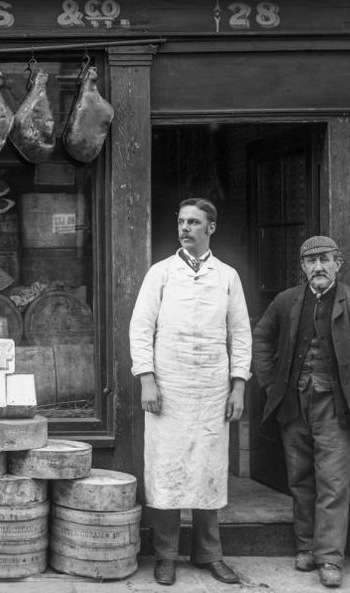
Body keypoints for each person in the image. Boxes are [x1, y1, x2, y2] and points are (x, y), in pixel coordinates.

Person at [251, 236, 350, 588]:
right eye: (310, 261)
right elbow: (261, 337)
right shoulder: (286, 301)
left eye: (324, 260)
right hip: (293, 403)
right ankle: (305, 547)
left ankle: (330, 558)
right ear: (302, 267)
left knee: (333, 482)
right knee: (300, 479)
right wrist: (270, 382)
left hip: (334, 406)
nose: (317, 267)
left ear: (339, 264)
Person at [129, 198, 251, 586]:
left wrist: (238, 387)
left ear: (210, 228)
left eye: (194, 222)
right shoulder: (161, 273)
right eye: (181, 221)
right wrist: (147, 378)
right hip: (168, 388)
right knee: (167, 472)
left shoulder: (227, 276)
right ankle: (166, 555)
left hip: (212, 389)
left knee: (208, 471)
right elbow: (140, 328)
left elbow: (241, 334)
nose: (185, 228)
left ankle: (208, 554)